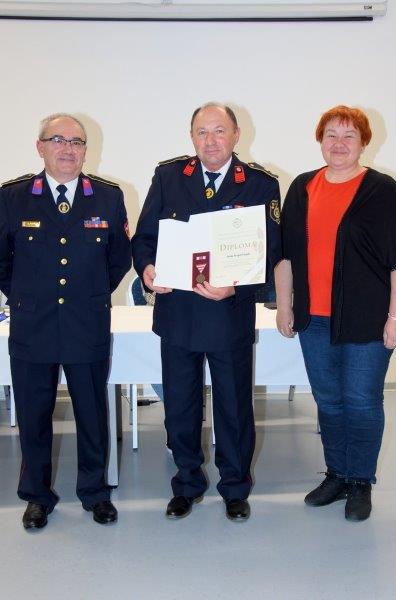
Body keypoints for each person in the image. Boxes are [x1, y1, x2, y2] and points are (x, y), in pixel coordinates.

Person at [132, 102, 281, 521]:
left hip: (229, 315)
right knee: (180, 407)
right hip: (178, 314)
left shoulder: (259, 183)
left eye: (219, 131)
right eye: (202, 132)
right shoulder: (168, 177)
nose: (210, 140)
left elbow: (272, 250)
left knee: (234, 408)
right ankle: (186, 483)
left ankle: (234, 488)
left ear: (236, 135)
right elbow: (144, 238)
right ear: (191, 137)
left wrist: (237, 286)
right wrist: (147, 269)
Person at [0, 113, 132, 529]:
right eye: (58, 140)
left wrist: (89, 295)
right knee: (34, 416)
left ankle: (95, 493)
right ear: (40, 147)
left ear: (85, 151)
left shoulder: (107, 197)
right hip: (33, 325)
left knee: (92, 415)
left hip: (86, 322)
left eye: (76, 142)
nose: (68, 149)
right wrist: (25, 297)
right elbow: (2, 261)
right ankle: (37, 496)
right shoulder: (13, 197)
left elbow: (119, 259)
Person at [275, 105, 396, 521]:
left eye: (349, 136)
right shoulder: (303, 187)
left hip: (368, 319)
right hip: (314, 318)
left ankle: (360, 481)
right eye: (331, 134)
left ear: (364, 143)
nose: (339, 143)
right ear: (320, 140)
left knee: (361, 401)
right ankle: (337, 474)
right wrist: (285, 305)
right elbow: (285, 255)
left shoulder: (382, 190)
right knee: (328, 400)